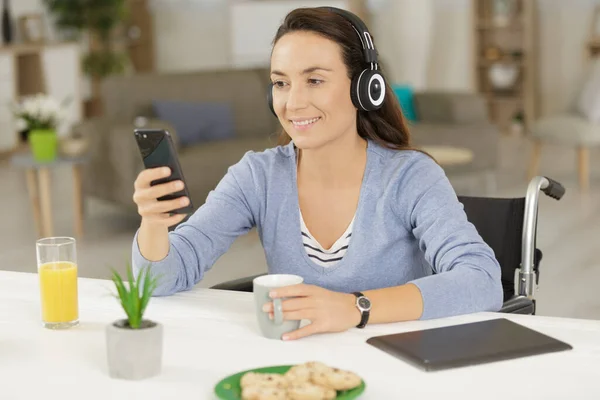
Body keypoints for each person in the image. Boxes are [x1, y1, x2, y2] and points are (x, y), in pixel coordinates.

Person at [131, 7, 502, 341]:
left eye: (315, 80)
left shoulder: (409, 177)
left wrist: (355, 308)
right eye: (281, 83)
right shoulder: (258, 177)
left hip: (396, 364)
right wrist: (152, 223)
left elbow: (481, 281)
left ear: (363, 89)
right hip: (301, 370)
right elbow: (159, 282)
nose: (293, 103)